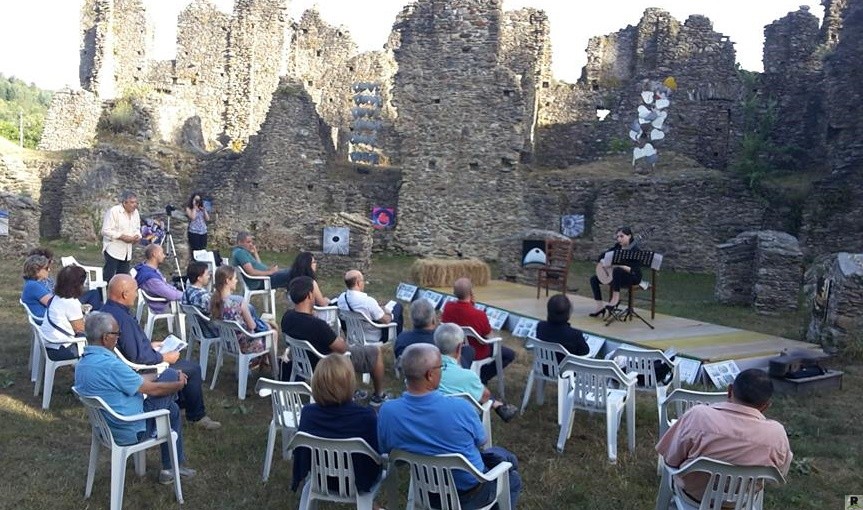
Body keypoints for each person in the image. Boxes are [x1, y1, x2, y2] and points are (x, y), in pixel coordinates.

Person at [378, 344, 522, 509]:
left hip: (426, 492)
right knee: (512, 477)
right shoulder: (461, 408)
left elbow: (389, 452)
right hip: (470, 494)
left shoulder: (388, 411)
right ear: (430, 375)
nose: (442, 370)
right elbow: (482, 441)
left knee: (503, 457)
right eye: (442, 366)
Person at [75, 312, 196, 484]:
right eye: (117, 334)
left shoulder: (84, 363)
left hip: (106, 428)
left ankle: (170, 468)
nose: (118, 338)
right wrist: (177, 384)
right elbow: (154, 390)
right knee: (170, 374)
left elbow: (137, 382)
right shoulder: (111, 365)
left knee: (173, 409)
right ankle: (171, 467)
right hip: (132, 429)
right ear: (106, 338)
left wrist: (156, 375)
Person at [103, 274, 221, 430]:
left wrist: (150, 345)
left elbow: (128, 345)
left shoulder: (106, 310)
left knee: (184, 365)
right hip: (140, 367)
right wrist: (165, 356)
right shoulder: (123, 319)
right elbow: (139, 357)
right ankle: (197, 415)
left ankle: (178, 404)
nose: (137, 295)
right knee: (192, 368)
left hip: (129, 360)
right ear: (124, 294)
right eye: (135, 291)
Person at [655, 369, 793, 503]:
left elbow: (671, 459)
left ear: (729, 391)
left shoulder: (698, 416)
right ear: (766, 406)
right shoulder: (776, 434)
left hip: (694, 497)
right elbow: (777, 476)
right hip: (742, 500)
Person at [281, 276, 390, 405]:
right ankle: (378, 396)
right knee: (375, 351)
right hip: (329, 363)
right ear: (310, 295)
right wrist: (339, 338)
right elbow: (342, 348)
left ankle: (354, 391)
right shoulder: (317, 325)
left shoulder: (287, 317)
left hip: (304, 363)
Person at [291, 354, 382, 498]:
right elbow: (376, 454)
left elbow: (302, 453)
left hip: (320, 479)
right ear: (350, 383)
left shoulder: (308, 413)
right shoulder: (366, 417)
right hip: (360, 481)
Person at [434, 322, 519, 423]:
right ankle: (497, 404)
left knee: (469, 352)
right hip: (463, 423)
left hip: (432, 420)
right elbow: (485, 397)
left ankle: (497, 404)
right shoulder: (468, 376)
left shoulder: (423, 371)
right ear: (459, 347)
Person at [441, 277, 515, 385]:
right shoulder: (479, 315)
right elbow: (490, 336)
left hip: (452, 348)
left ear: (454, 292)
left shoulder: (448, 307)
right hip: (476, 352)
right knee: (509, 354)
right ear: (471, 292)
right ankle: (483, 377)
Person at [394, 298, 475, 369]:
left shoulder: (402, 338)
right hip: (437, 375)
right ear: (433, 319)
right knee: (468, 350)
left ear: (411, 319)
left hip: (412, 374)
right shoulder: (440, 341)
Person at [210, 266, 272, 356]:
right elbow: (252, 326)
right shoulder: (238, 302)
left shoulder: (214, 300)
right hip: (244, 345)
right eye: (235, 278)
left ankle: (260, 362)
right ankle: (274, 368)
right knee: (272, 332)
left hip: (226, 343)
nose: (237, 281)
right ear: (227, 281)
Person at [336, 269, 403, 343]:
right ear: (358, 283)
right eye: (362, 281)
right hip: (375, 336)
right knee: (398, 307)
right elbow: (386, 320)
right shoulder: (368, 301)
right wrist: (388, 312)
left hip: (353, 334)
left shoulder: (341, 298)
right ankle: (399, 340)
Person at [588, 226, 642, 317]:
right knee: (593, 279)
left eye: (622, 236)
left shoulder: (635, 251)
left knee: (617, 270)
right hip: (616, 277)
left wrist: (619, 265)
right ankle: (599, 307)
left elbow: (634, 270)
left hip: (631, 277)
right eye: (617, 237)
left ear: (629, 236)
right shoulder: (617, 248)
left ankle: (615, 298)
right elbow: (601, 256)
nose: (619, 239)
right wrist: (602, 261)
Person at [39, 265, 89, 361]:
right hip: (61, 347)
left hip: (49, 342)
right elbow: (80, 330)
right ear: (78, 284)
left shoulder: (56, 297)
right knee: (99, 344)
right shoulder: (71, 303)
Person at [101, 190, 142, 282]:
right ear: (124, 202)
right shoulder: (114, 211)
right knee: (109, 277)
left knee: (123, 278)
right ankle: (103, 295)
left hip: (127, 251)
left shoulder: (135, 213)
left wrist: (137, 237)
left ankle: (120, 295)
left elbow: (137, 228)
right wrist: (122, 237)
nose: (135, 205)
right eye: (132, 202)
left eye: (136, 202)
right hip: (113, 249)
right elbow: (105, 230)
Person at [536, 294, 590, 362]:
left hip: (544, 369)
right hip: (567, 371)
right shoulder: (575, 335)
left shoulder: (541, 327)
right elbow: (585, 352)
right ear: (568, 313)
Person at [134, 244, 183, 314]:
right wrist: (186, 295)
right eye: (162, 253)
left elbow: (165, 286)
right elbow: (171, 295)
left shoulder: (144, 267)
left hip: (157, 301)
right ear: (154, 254)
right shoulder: (151, 278)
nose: (164, 256)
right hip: (161, 306)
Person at [21, 254, 52, 321]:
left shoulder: (33, 284)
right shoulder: (33, 286)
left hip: (48, 318)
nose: (49, 270)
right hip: (47, 321)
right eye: (46, 268)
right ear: (36, 270)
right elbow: (53, 303)